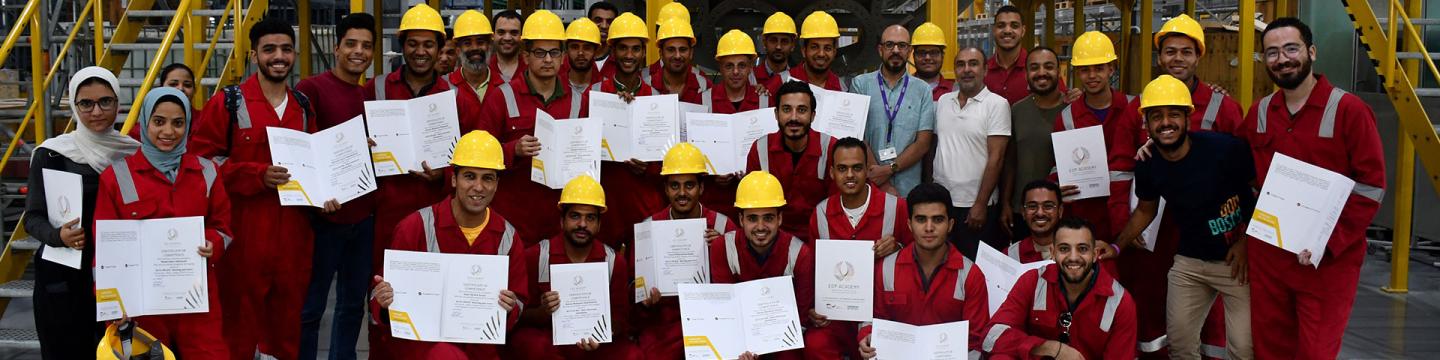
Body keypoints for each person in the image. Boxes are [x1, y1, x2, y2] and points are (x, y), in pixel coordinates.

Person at [1239, 17, 1385, 359]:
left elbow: (1371, 187)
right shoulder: (1260, 112)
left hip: (1326, 264)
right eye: (1272, 52)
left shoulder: (1349, 111)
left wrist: (1327, 243)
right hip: (1270, 258)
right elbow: (1232, 165)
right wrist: (1153, 145)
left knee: (1316, 352)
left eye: (1291, 48)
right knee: (1270, 351)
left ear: (1312, 52)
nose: (1282, 59)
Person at [190, 16, 316, 360]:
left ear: (295, 54)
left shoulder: (303, 107)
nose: (279, 57)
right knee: (238, 333)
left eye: (286, 49)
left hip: (293, 240)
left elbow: (316, 164)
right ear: (254, 55)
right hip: (243, 240)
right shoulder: (228, 103)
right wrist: (255, 175)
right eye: (269, 49)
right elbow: (200, 164)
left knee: (287, 332)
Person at [1115, 75, 1255, 360]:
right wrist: (1117, 246)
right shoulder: (1148, 164)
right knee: (1179, 347)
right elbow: (1145, 210)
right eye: (1157, 116)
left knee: (1242, 349)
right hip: (1189, 263)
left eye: (1174, 115)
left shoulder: (1225, 149)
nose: (1166, 123)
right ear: (1146, 125)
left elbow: (1261, 192)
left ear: (1189, 119)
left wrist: (1245, 242)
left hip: (1235, 263)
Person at [94, 87, 231, 359]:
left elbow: (223, 227)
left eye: (178, 123)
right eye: (159, 121)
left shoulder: (207, 171)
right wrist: (112, 304)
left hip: (196, 298)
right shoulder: (116, 177)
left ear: (188, 125)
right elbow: (105, 250)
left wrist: (212, 242)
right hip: (141, 305)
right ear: (145, 122)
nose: (168, 131)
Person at [369, 131, 528, 359]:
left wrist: (510, 307)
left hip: (480, 347)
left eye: (487, 178)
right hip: (423, 348)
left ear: (496, 184)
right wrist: (384, 302)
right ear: (454, 179)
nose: (478, 187)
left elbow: (519, 304)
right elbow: (377, 305)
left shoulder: (508, 237)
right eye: (470, 176)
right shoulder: (415, 227)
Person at [25, 67, 140, 360]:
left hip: (117, 275)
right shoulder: (52, 154)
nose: (96, 111)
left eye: (105, 101)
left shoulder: (132, 154)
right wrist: (58, 236)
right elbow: (32, 217)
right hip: (63, 279)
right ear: (74, 106)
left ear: (118, 103)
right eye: (86, 103)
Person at [363, 7, 455, 332]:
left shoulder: (454, 96)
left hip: (438, 213)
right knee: (385, 300)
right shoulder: (375, 89)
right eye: (413, 43)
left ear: (439, 48)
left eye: (428, 44)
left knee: (434, 303)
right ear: (402, 45)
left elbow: (469, 158)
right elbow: (353, 151)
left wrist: (443, 175)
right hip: (387, 212)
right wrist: (365, 146)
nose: (420, 51)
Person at [293, 12, 377, 360]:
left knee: (352, 306)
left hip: (363, 216)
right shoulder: (310, 89)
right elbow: (300, 148)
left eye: (366, 46)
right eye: (351, 44)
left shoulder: (369, 97)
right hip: (323, 219)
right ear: (336, 47)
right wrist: (316, 196)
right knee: (311, 308)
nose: (359, 52)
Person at [478, 10, 589, 244]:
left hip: (560, 223)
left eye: (554, 52)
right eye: (540, 52)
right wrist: (513, 150)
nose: (548, 60)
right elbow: (479, 156)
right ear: (526, 56)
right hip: (513, 221)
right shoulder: (500, 97)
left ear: (563, 57)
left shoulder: (579, 101)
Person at [803, 137, 912, 359]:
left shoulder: (897, 207)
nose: (850, 175)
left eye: (857, 168)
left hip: (883, 312)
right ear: (832, 172)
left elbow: (917, 259)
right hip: (837, 315)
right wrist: (811, 308)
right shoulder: (821, 213)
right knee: (816, 344)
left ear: (867, 170)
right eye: (842, 168)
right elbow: (813, 268)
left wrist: (898, 247)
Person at [856, 183, 988, 360]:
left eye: (938, 219)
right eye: (921, 219)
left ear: (950, 225)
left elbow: (976, 341)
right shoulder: (885, 268)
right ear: (909, 224)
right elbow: (873, 319)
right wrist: (867, 336)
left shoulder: (971, 275)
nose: (929, 227)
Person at [511, 175, 637, 358]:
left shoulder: (613, 261)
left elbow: (620, 318)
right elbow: (518, 315)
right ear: (562, 221)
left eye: (590, 218)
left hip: (596, 344)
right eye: (575, 216)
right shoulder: (537, 256)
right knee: (531, 344)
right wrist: (542, 312)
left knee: (631, 354)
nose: (582, 224)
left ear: (599, 224)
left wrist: (603, 333)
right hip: (550, 342)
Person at [635, 143, 738, 359]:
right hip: (664, 322)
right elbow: (633, 290)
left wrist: (722, 250)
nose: (682, 193)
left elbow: (740, 283)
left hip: (713, 317)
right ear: (665, 189)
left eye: (689, 185)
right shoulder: (649, 227)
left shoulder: (723, 225)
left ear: (701, 188)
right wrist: (645, 301)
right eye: (675, 186)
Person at [981, 217, 1137, 359]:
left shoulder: (1120, 302)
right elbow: (991, 336)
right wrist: (1048, 347)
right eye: (1064, 249)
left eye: (1082, 249)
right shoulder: (1033, 281)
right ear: (1053, 252)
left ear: (1095, 254)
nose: (1073, 257)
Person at [707, 171, 811, 359]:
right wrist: (743, 347)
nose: (761, 227)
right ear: (741, 219)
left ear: (780, 218)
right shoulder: (722, 247)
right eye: (752, 218)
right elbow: (726, 308)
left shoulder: (800, 254)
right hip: (738, 338)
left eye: (768, 218)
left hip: (783, 343)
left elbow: (802, 318)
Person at [1052, 31, 1133, 247]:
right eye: (1085, 69)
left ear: (1111, 69)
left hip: (1129, 213)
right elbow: (1058, 166)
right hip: (1085, 216)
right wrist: (1057, 186)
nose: (1092, 75)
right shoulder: (1066, 118)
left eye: (1099, 68)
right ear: (1078, 72)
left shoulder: (1133, 108)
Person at [933, 47, 1010, 258]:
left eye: (973, 64)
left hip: (974, 207)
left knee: (974, 267)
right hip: (942, 204)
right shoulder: (943, 102)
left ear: (985, 69)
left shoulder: (997, 105)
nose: (966, 69)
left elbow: (997, 158)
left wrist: (980, 204)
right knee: (943, 264)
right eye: (961, 64)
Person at [747, 81, 837, 242]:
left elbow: (839, 207)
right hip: (772, 240)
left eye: (801, 110)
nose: (794, 117)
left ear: (813, 115)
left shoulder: (831, 148)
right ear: (776, 114)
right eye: (786, 109)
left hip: (820, 238)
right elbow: (752, 205)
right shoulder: (760, 148)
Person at [852, 24, 936, 197]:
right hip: (869, 186)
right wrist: (882, 182)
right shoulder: (860, 85)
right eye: (889, 45)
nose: (896, 50)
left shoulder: (923, 90)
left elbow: (923, 143)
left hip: (908, 190)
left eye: (902, 45)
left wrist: (889, 169)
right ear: (880, 49)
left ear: (909, 51)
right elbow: (857, 135)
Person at [1000, 47, 1064, 240]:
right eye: (1034, 67)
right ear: (1026, 74)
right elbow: (1011, 161)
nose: (1041, 73)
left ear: (1059, 71)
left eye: (1048, 67)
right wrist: (1006, 203)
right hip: (1023, 210)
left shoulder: (1072, 108)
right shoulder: (1017, 110)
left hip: (1062, 209)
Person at [765, 11, 848, 99]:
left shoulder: (841, 87)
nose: (821, 54)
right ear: (804, 51)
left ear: (834, 52)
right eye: (814, 47)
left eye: (827, 48)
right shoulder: (780, 82)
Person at [447, 10, 494, 132]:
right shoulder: (444, 86)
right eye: (467, 43)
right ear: (458, 50)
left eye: (480, 42)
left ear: (489, 46)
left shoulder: (507, 86)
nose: (475, 48)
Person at [650, 17, 709, 104]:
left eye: (682, 49)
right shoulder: (646, 86)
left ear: (691, 53)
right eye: (671, 50)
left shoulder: (705, 86)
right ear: (661, 53)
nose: (677, 56)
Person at [1008, 180, 1064, 263]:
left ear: (1060, 211)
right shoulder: (1011, 255)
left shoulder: (1076, 251)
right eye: (1032, 206)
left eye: (1048, 206)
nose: (1040, 213)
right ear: (1023, 212)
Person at [910, 22, 953, 100]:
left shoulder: (954, 90)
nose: (927, 57)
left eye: (933, 52)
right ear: (913, 56)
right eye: (922, 53)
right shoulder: (903, 89)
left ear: (942, 56)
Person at [563, 18, 604, 95]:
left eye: (587, 48)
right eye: (575, 47)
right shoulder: (554, 85)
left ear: (596, 51)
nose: (580, 53)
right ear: (566, 49)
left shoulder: (607, 88)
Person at [754, 12, 797, 86]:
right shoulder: (751, 78)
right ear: (764, 43)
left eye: (784, 41)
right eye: (773, 40)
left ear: (792, 45)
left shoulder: (799, 78)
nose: (778, 47)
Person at [489, 10, 525, 84]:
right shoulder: (484, 69)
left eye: (514, 33)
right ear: (493, 36)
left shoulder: (531, 68)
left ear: (521, 36)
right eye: (501, 32)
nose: (507, 38)